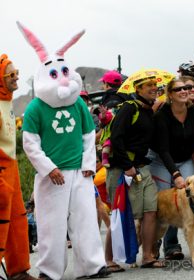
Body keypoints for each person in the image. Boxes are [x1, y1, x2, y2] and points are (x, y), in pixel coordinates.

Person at [18, 21, 108, 279]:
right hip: (52, 176)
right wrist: (49, 168)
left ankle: (92, 266)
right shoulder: (36, 108)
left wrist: (89, 165)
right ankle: (49, 270)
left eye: (64, 73)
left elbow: (88, 134)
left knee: (85, 220)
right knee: (50, 224)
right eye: (55, 75)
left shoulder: (78, 104)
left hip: (80, 172)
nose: (63, 80)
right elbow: (30, 144)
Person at [105, 76, 165, 269]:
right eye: (149, 86)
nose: (154, 88)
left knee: (150, 211)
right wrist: (126, 165)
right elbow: (116, 137)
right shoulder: (129, 108)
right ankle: (109, 259)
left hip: (142, 168)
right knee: (119, 214)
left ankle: (147, 256)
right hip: (121, 169)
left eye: (155, 85)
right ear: (138, 90)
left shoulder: (148, 111)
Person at [149, 77, 194, 261]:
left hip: (185, 159)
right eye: (179, 89)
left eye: (188, 88)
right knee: (166, 205)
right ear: (170, 95)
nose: (185, 91)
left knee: (193, 201)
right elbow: (163, 149)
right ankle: (165, 246)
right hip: (161, 161)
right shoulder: (162, 115)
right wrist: (175, 174)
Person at [0, 54, 38, 280]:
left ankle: (19, 270)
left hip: (11, 166)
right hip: (1, 170)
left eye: (17, 73)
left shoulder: (7, 100)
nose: (16, 78)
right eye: (10, 75)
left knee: (17, 220)